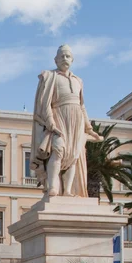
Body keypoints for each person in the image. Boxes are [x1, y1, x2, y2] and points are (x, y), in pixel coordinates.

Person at [30, 45, 103, 197]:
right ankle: (53, 187)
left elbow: (82, 106)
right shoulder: (50, 76)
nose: (65, 59)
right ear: (55, 60)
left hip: (77, 122)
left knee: (74, 155)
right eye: (61, 56)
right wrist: (51, 123)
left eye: (68, 56)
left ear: (72, 60)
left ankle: (68, 190)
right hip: (59, 118)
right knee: (58, 150)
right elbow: (45, 103)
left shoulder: (78, 81)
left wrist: (89, 129)